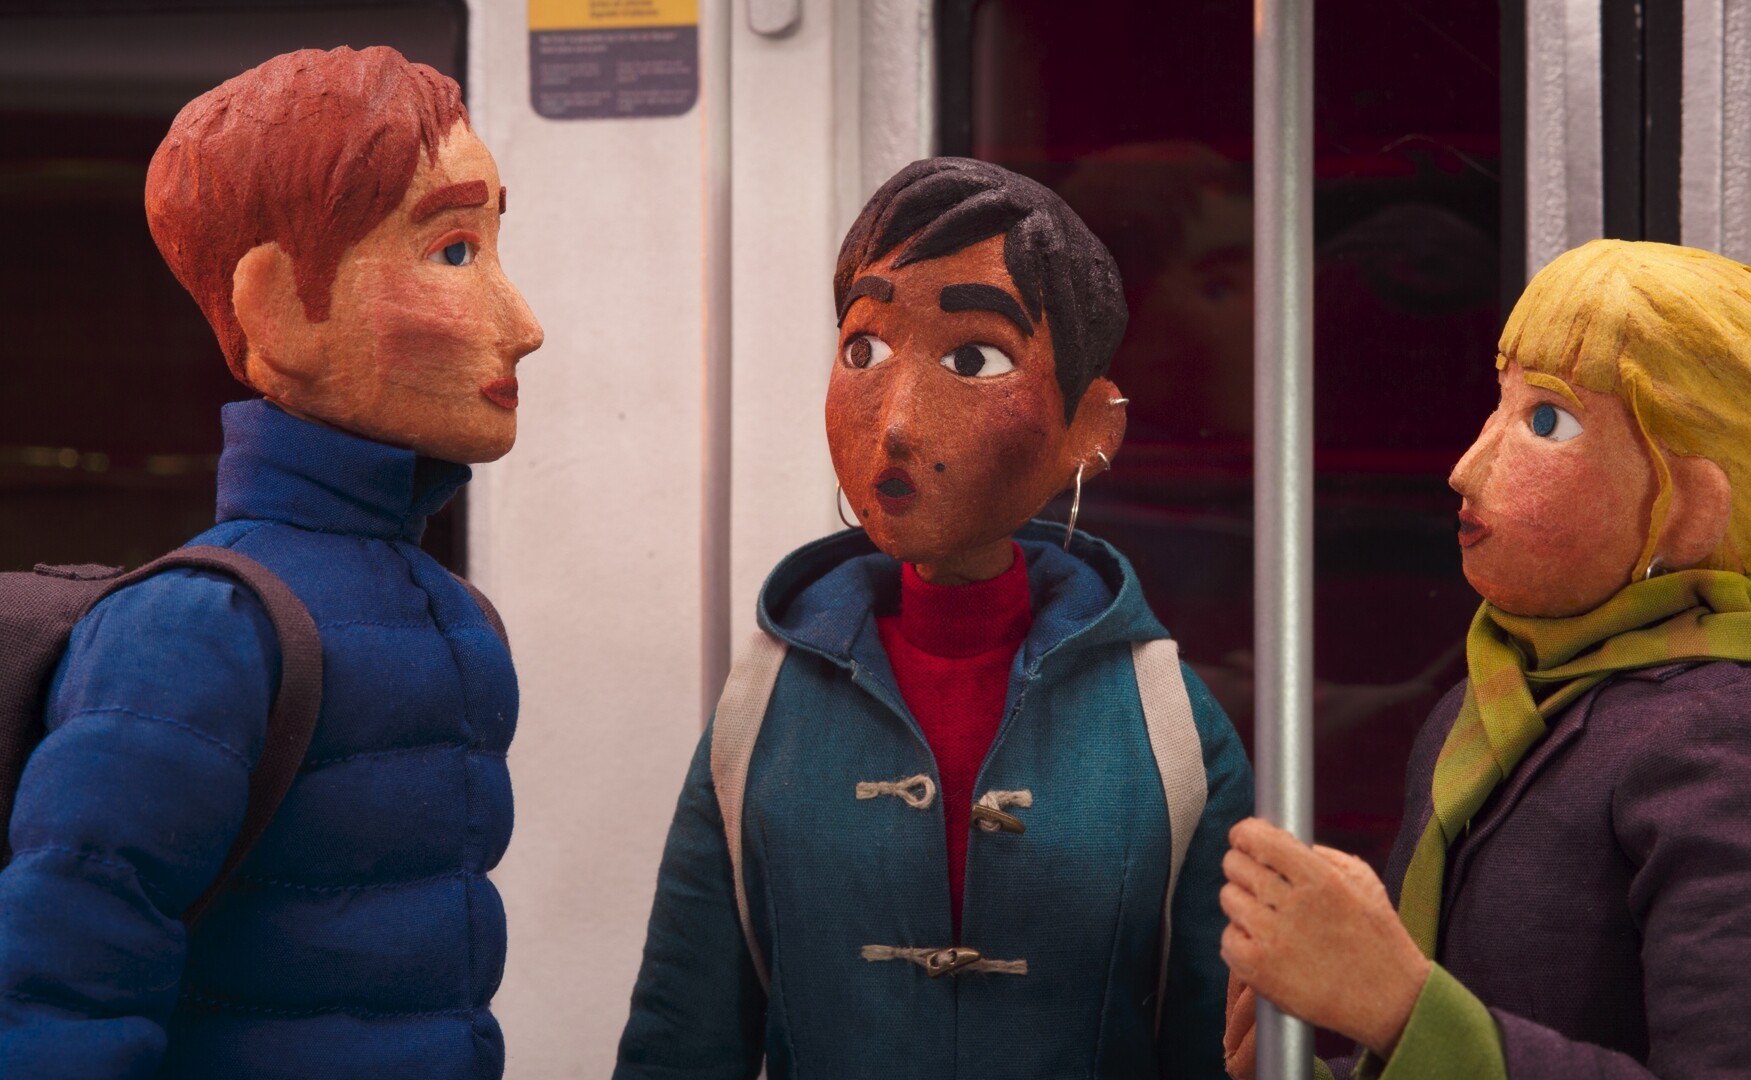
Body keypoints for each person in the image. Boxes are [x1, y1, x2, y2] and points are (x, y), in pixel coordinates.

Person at [614, 157, 1252, 1079]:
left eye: (974, 359)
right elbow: (682, 1035)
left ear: (1090, 429)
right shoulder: (762, 709)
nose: (898, 422)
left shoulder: (1168, 725)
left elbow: (1217, 1048)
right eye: (863, 351)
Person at [1220, 239, 1751, 1079]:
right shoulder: (1491, 704)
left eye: (1547, 421)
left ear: (1691, 509)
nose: (1465, 467)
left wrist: (1400, 1010)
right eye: (1500, 403)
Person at [0, 46, 542, 1079]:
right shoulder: (198, 627)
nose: (525, 328)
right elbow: (59, 995)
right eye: (454, 252)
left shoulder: (456, 617)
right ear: (281, 308)